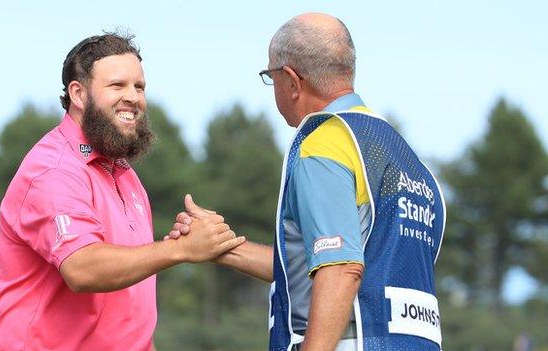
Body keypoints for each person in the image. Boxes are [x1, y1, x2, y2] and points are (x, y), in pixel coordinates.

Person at [172, 13, 446, 351]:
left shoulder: (324, 143)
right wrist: (222, 248)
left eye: (269, 76)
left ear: (291, 80)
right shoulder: (404, 157)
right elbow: (328, 265)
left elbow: (342, 268)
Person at [0, 32, 245, 351]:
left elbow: (129, 309)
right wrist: (179, 250)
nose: (133, 98)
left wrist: (186, 242)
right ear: (78, 94)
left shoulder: (124, 173)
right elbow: (82, 267)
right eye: (117, 85)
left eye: (139, 87)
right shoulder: (54, 170)